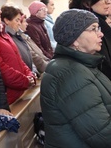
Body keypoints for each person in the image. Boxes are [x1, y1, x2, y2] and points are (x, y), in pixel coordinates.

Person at [40, 9, 111, 147]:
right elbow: (102, 135)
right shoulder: (70, 74)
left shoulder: (81, 65)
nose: (100, 34)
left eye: (99, 28)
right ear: (75, 40)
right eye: (93, 29)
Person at [0, 0, 36, 105]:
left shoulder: (3, 33)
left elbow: (19, 60)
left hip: (21, 91)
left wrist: (30, 75)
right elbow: (1, 68)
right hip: (9, 97)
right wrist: (25, 81)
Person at [69, 0, 111, 80]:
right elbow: (102, 64)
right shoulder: (84, 26)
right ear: (87, 3)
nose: (109, 2)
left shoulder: (100, 21)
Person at [1, 4, 44, 75]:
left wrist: (33, 72)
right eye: (17, 20)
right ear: (7, 20)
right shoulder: (7, 37)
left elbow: (29, 54)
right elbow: (17, 61)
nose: (19, 23)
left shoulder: (17, 34)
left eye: (20, 20)